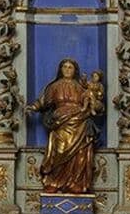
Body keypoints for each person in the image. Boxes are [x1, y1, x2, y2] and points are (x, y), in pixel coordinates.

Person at [26, 58, 103, 194]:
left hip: (80, 121)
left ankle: (76, 182)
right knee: (59, 151)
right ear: (60, 70)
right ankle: (54, 181)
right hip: (61, 122)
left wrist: (96, 104)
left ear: (75, 70)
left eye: (70, 67)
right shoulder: (54, 86)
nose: (67, 69)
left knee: (80, 153)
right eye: (65, 67)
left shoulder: (82, 87)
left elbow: (95, 103)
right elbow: (43, 101)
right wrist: (33, 107)